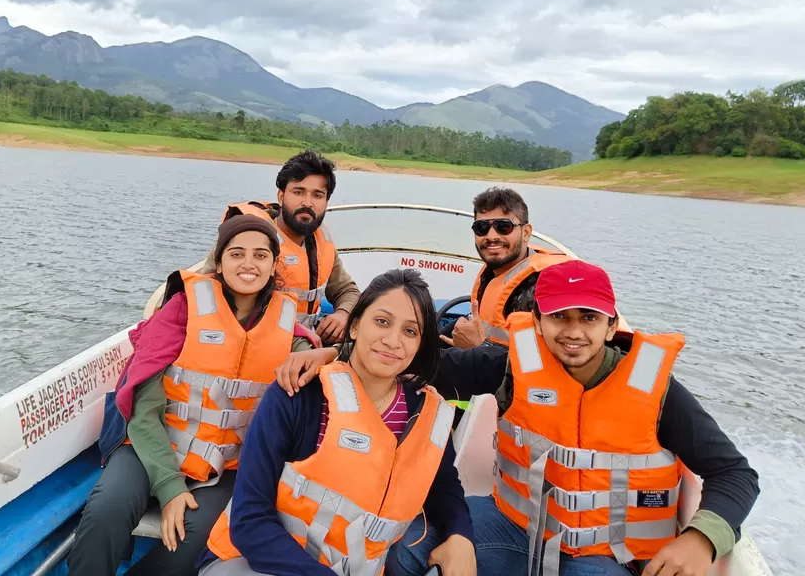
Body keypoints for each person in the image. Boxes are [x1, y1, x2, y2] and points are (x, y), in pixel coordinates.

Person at [388, 260, 761, 576]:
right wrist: (349, 358)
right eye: (559, 317)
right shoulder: (512, 368)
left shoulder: (657, 390)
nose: (574, 332)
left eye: (588, 317)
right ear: (537, 321)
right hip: (514, 526)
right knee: (406, 547)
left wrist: (701, 539)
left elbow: (734, 474)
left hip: (609, 555)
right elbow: (425, 367)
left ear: (611, 325)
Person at [67, 215, 323, 576]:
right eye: (236, 254)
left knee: (196, 540)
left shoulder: (287, 328)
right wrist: (170, 487)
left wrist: (324, 354)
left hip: (225, 465)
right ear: (219, 261)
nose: (248, 264)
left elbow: (321, 362)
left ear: (272, 264)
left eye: (260, 255)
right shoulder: (181, 311)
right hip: (152, 445)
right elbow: (143, 408)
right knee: (106, 510)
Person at [197, 269, 477, 576]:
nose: (393, 340)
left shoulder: (427, 415)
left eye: (410, 331)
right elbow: (249, 519)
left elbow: (445, 489)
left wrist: (460, 536)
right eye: (382, 321)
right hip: (251, 562)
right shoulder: (299, 395)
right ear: (355, 326)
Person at [208, 150, 360, 343]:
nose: (307, 203)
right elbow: (206, 291)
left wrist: (343, 314)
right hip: (253, 341)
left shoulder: (321, 241)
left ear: (326, 201)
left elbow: (347, 290)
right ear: (281, 196)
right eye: (298, 192)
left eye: (318, 195)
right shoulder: (246, 234)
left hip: (305, 341)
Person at [441, 187, 569, 351]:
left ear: (526, 233)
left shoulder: (545, 287)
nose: (491, 236)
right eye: (482, 228)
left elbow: (540, 365)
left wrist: (481, 347)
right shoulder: (492, 273)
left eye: (503, 227)